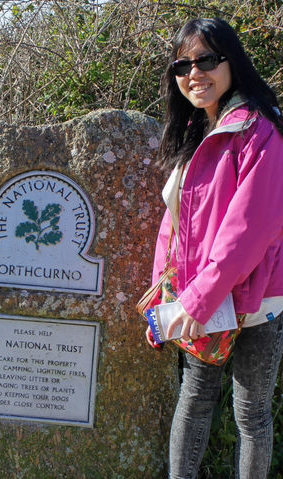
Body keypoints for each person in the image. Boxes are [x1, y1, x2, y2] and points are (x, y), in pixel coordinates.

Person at [144, 17, 283, 478]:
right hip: (199, 299)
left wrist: (196, 300)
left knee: (251, 414)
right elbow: (175, 228)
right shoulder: (196, 130)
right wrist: (163, 301)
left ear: (232, 62)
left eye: (206, 59)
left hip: (257, 299)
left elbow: (250, 229)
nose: (194, 73)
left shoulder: (259, 131)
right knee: (195, 397)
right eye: (183, 64)